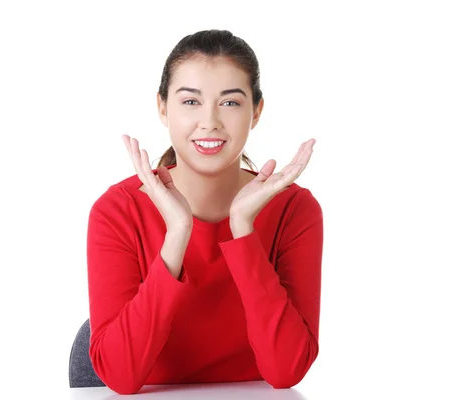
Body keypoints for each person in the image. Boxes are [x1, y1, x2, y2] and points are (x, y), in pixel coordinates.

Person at [86, 29, 323, 395]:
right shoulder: (117, 211)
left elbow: (286, 371)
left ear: (256, 111)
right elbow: (119, 376)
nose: (210, 121)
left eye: (230, 103)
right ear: (163, 108)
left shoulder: (294, 210)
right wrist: (178, 234)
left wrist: (242, 229)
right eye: (191, 102)